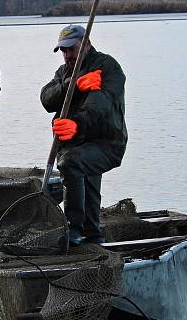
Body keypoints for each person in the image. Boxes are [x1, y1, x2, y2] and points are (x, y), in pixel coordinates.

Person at [40, 24, 127, 245]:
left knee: (71, 163)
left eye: (71, 49)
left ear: (86, 44)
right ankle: (93, 235)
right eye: (63, 51)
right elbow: (46, 98)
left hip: (106, 142)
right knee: (83, 179)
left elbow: (100, 105)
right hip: (75, 143)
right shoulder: (63, 72)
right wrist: (74, 84)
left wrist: (77, 124)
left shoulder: (107, 67)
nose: (67, 55)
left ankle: (74, 228)